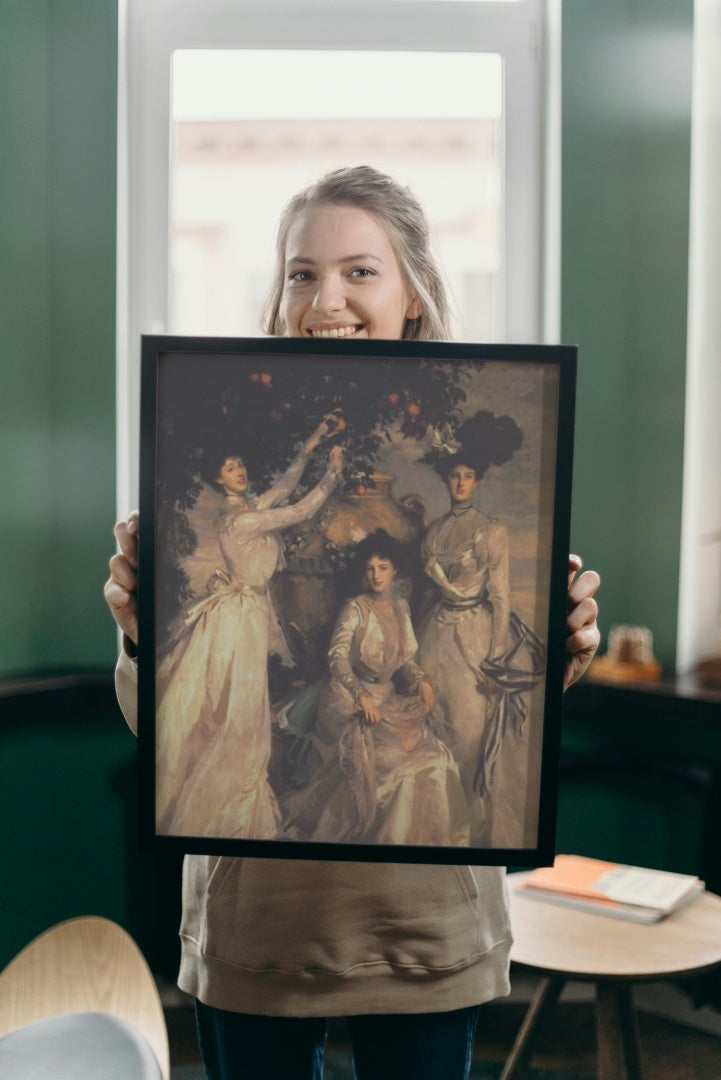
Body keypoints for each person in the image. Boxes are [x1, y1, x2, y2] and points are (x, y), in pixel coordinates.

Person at [105, 165, 601, 1080]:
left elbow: (498, 707)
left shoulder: (486, 451)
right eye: (301, 272)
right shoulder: (219, 455)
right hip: (259, 922)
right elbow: (169, 731)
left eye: (358, 271)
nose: (324, 297)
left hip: (422, 923)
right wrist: (141, 634)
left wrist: (558, 651)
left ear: (412, 291)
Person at [154, 424, 343, 839]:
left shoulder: (244, 510)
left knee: (242, 703)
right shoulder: (240, 521)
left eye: (240, 464)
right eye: (229, 466)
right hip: (240, 619)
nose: (238, 469)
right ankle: (230, 801)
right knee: (239, 708)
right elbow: (298, 511)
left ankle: (237, 787)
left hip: (249, 612)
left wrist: (309, 445)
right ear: (219, 478)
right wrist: (332, 474)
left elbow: (281, 489)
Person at [280, 530, 470, 848]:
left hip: (385, 697)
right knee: (387, 763)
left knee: (433, 757)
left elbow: (405, 662)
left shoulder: (400, 608)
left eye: (383, 567)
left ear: (395, 570)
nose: (376, 575)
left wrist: (421, 679)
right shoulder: (355, 608)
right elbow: (337, 657)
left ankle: (418, 841)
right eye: (370, 568)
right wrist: (360, 694)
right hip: (345, 696)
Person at [417, 410, 526, 845]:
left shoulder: (489, 532)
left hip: (474, 641)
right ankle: (435, 833)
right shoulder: (436, 532)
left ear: (477, 480)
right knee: (430, 734)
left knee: (468, 740)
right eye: (454, 476)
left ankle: (468, 839)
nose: (460, 483)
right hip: (435, 637)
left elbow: (501, 599)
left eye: (467, 476)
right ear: (446, 480)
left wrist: (496, 663)